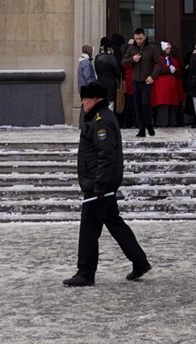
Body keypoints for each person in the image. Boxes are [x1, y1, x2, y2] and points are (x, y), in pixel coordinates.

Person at [63, 82, 150, 288]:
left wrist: (99, 184)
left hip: (98, 184)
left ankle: (85, 272)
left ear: (94, 99)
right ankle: (140, 262)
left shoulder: (100, 121)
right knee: (115, 224)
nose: (82, 103)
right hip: (102, 183)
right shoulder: (98, 118)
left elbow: (106, 155)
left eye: (84, 99)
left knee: (89, 230)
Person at [124, 29, 156, 138]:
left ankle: (149, 124)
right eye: (136, 39)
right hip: (136, 81)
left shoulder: (151, 48)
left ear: (145, 37)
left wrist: (152, 76)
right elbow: (123, 61)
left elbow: (159, 64)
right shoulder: (132, 47)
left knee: (145, 104)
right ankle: (141, 129)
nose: (138, 41)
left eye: (140, 38)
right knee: (137, 105)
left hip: (147, 80)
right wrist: (132, 59)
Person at [150, 41, 184, 129]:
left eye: (169, 48)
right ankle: (162, 122)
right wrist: (169, 70)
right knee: (163, 105)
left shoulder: (172, 59)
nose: (169, 50)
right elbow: (157, 70)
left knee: (171, 105)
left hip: (171, 86)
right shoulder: (158, 59)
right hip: (162, 85)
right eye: (167, 48)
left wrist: (174, 70)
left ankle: (172, 121)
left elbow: (177, 72)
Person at [93, 37, 123, 109]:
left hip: (100, 83)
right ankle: (108, 119)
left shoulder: (97, 57)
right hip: (111, 84)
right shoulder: (112, 58)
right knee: (110, 104)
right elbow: (117, 72)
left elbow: (96, 70)